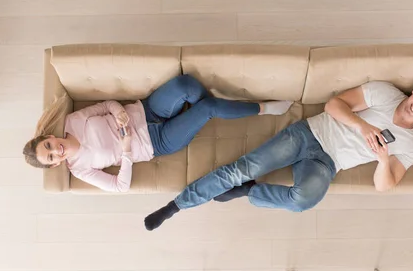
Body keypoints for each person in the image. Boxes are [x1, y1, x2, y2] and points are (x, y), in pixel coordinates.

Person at [144, 77, 413, 230]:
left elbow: (385, 185)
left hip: (327, 162)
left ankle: (250, 192)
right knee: (241, 168)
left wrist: (383, 158)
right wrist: (363, 127)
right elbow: (334, 105)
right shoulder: (386, 93)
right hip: (307, 134)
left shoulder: (412, 144)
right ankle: (177, 205)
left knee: (303, 201)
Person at [23, 74, 293, 192]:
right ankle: (264, 108)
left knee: (186, 84)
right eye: (50, 157)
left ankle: (214, 104)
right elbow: (120, 186)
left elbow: (105, 105)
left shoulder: (72, 121)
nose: (54, 150)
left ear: (48, 137)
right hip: (157, 142)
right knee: (209, 107)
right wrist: (127, 149)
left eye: (47, 146)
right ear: (55, 164)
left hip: (147, 111)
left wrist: (117, 111)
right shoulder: (80, 169)